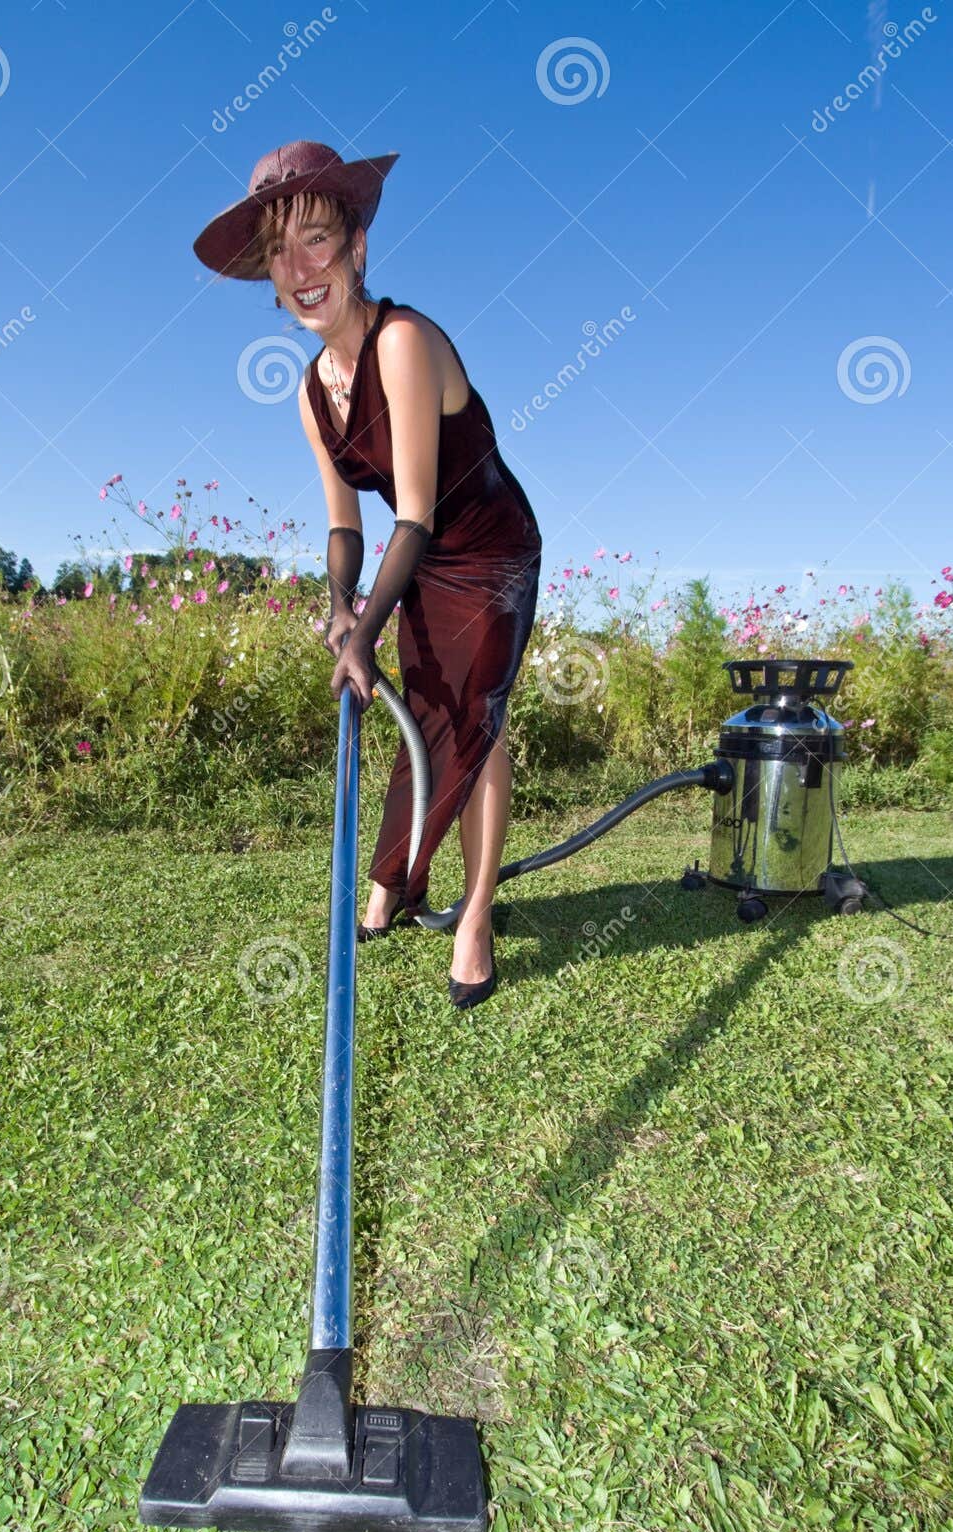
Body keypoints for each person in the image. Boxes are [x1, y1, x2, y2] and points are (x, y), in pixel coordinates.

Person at [193, 140, 542, 1008]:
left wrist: (370, 626)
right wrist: (341, 609)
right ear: (269, 279)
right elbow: (345, 523)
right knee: (418, 722)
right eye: (280, 252)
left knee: (475, 720)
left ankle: (474, 918)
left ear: (356, 247)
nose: (299, 268)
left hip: (489, 548)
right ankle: (396, 881)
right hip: (415, 559)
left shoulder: (405, 341)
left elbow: (415, 509)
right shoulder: (312, 389)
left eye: (315, 240)